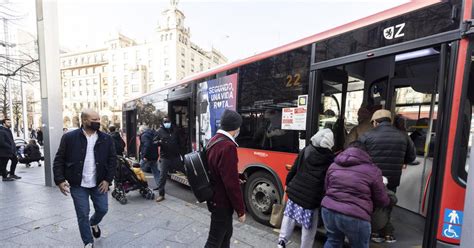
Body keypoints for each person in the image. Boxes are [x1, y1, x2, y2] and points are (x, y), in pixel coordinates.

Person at [53, 109, 117, 248]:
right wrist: (60, 180)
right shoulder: (69, 137)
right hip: (78, 184)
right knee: (82, 214)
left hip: (99, 182)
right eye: (94, 120)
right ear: (84, 121)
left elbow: (112, 161)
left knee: (102, 209)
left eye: (98, 119)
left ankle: (94, 222)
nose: (97, 122)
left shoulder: (106, 138)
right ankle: (88, 242)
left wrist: (107, 180)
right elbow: (59, 159)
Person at [358, 109, 416, 243]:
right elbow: (411, 157)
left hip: (371, 177)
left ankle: (374, 231)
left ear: (375, 122)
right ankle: (387, 233)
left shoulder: (366, 136)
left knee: (372, 204)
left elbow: (359, 155)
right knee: (388, 203)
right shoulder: (403, 136)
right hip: (393, 178)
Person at [321, 141, 391, 248]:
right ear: (365, 153)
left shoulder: (333, 165)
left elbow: (326, 187)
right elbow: (382, 200)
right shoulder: (372, 170)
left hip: (328, 210)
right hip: (355, 215)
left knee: (333, 241)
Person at [278, 129, 335, 248]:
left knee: (289, 217)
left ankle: (282, 241)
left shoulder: (306, 150)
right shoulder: (330, 159)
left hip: (295, 191)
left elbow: (294, 169)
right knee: (308, 225)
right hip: (312, 198)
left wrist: (287, 183)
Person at [205, 109, 245, 248]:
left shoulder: (214, 140)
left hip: (215, 197)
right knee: (214, 240)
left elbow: (218, 169)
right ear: (235, 127)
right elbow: (231, 184)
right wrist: (240, 210)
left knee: (226, 235)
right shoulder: (228, 146)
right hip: (222, 202)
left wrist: (236, 175)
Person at [154, 117, 182, 202]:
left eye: (168, 122)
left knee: (185, 171)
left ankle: (197, 190)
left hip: (175, 156)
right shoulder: (159, 131)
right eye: (165, 122)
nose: (167, 123)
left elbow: (180, 141)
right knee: (163, 176)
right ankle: (161, 194)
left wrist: (181, 152)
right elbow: (154, 142)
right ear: (163, 123)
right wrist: (159, 142)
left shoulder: (175, 130)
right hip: (165, 157)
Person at [139, 125, 160, 190]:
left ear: (142, 130)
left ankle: (138, 184)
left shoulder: (144, 136)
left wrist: (144, 155)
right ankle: (160, 185)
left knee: (137, 169)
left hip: (147, 156)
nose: (139, 132)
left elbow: (146, 145)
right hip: (154, 156)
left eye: (140, 131)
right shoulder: (153, 134)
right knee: (155, 171)